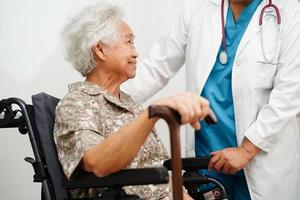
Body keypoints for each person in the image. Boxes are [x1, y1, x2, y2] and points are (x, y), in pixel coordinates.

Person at [122, 0, 300, 199]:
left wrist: (247, 150)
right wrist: (103, 99)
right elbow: (156, 68)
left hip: (264, 155)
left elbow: (289, 93)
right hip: (207, 156)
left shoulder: (290, 13)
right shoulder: (197, 9)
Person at [53, 2, 211, 199]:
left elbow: (161, 172)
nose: (135, 53)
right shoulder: (76, 104)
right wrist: (154, 111)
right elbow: (98, 163)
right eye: (129, 42)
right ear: (100, 49)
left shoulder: (130, 105)